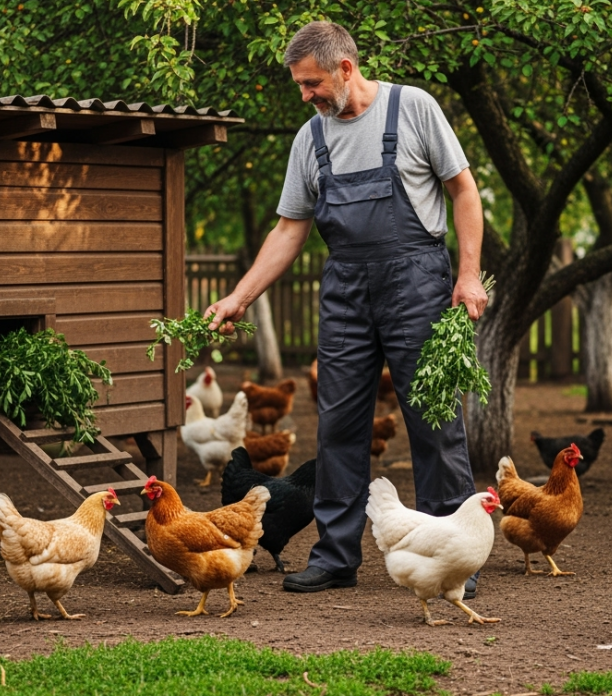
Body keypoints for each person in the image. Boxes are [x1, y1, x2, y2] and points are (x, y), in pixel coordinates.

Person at [204, 21, 488, 594]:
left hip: (417, 283)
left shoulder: (413, 108)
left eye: (311, 83)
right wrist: (239, 296)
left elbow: (463, 189)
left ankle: (453, 557)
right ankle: (336, 556)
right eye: (299, 85)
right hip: (346, 290)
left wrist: (467, 274)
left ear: (346, 68)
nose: (304, 95)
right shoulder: (310, 138)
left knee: (433, 421)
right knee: (337, 426)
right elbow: (290, 229)